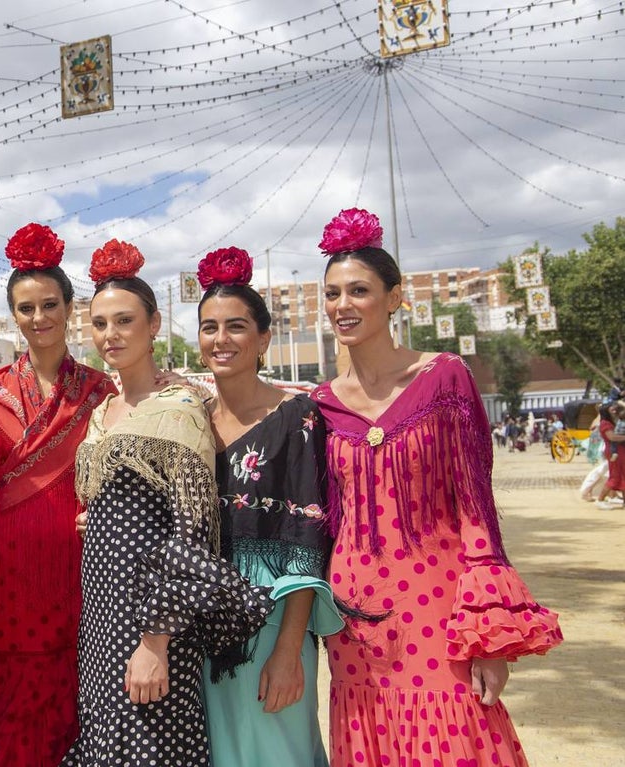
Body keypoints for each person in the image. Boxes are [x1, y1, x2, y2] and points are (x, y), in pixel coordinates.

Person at [311, 208, 563, 767]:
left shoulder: (445, 378)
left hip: (438, 600)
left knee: (457, 735)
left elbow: (476, 504)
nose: (342, 306)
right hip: (353, 612)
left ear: (396, 297)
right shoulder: (321, 404)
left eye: (358, 290)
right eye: (331, 294)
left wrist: (486, 632)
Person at [61, 239, 272, 767]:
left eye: (125, 320)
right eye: (100, 322)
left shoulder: (179, 408)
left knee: (152, 750)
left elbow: (194, 534)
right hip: (100, 617)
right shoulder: (101, 412)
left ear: (154, 325)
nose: (110, 335)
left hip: (153, 623)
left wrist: (154, 642)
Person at [0, 223, 118, 767]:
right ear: (13, 316)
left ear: (70, 308)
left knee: (78, 711)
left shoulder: (99, 392)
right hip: (7, 582)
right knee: (11, 723)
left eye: (49, 305)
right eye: (26, 308)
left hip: (77, 575)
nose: (39, 318)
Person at [195, 247, 343, 767]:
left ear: (263, 339)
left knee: (279, 750)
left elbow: (307, 542)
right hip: (203, 616)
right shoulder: (190, 421)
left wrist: (288, 650)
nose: (221, 339)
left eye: (236, 326)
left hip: (272, 616)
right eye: (209, 327)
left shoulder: (297, 417)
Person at [596, 403, 625, 508]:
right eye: (611, 408)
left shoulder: (613, 422)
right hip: (614, 452)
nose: (614, 409)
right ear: (606, 411)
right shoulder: (605, 423)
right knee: (615, 476)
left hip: (620, 451)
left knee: (622, 475)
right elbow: (612, 437)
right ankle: (600, 499)